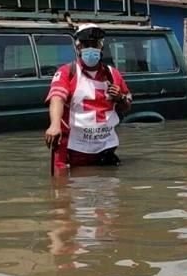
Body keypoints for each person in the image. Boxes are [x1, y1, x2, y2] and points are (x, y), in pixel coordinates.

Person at [44, 24, 132, 173]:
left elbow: (127, 104)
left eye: (95, 45)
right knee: (63, 192)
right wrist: (54, 125)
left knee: (108, 192)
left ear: (101, 47)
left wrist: (120, 98)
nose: (91, 49)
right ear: (78, 48)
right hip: (71, 151)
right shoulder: (67, 72)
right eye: (86, 45)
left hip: (105, 150)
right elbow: (57, 98)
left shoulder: (112, 74)